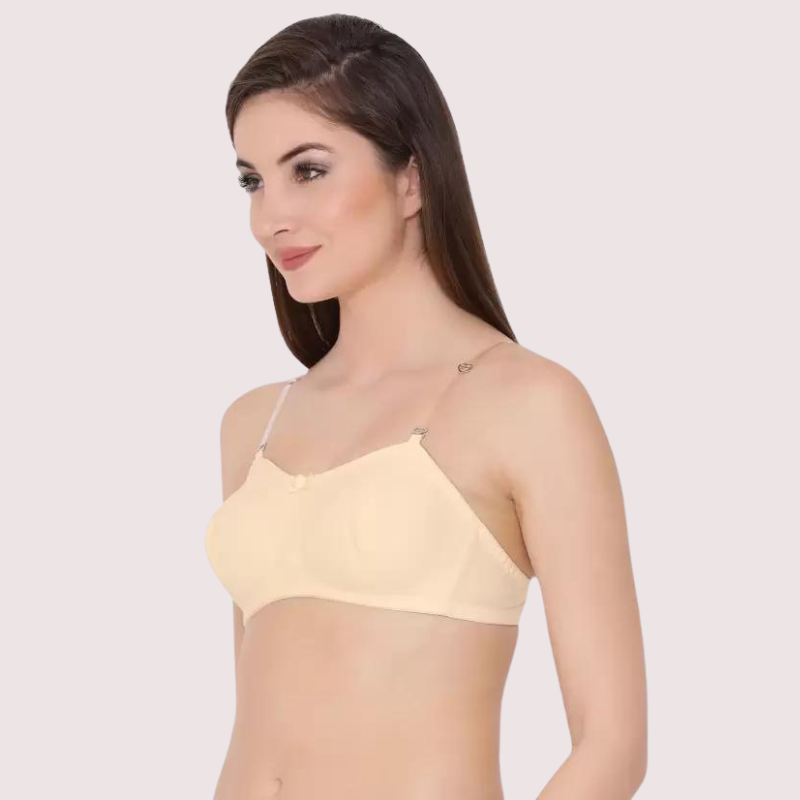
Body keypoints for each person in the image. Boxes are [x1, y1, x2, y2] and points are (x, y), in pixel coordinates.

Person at [205, 13, 647, 800]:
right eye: (252, 180)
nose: (270, 217)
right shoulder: (254, 424)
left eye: (308, 170)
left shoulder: (529, 405)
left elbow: (613, 746)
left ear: (411, 178)